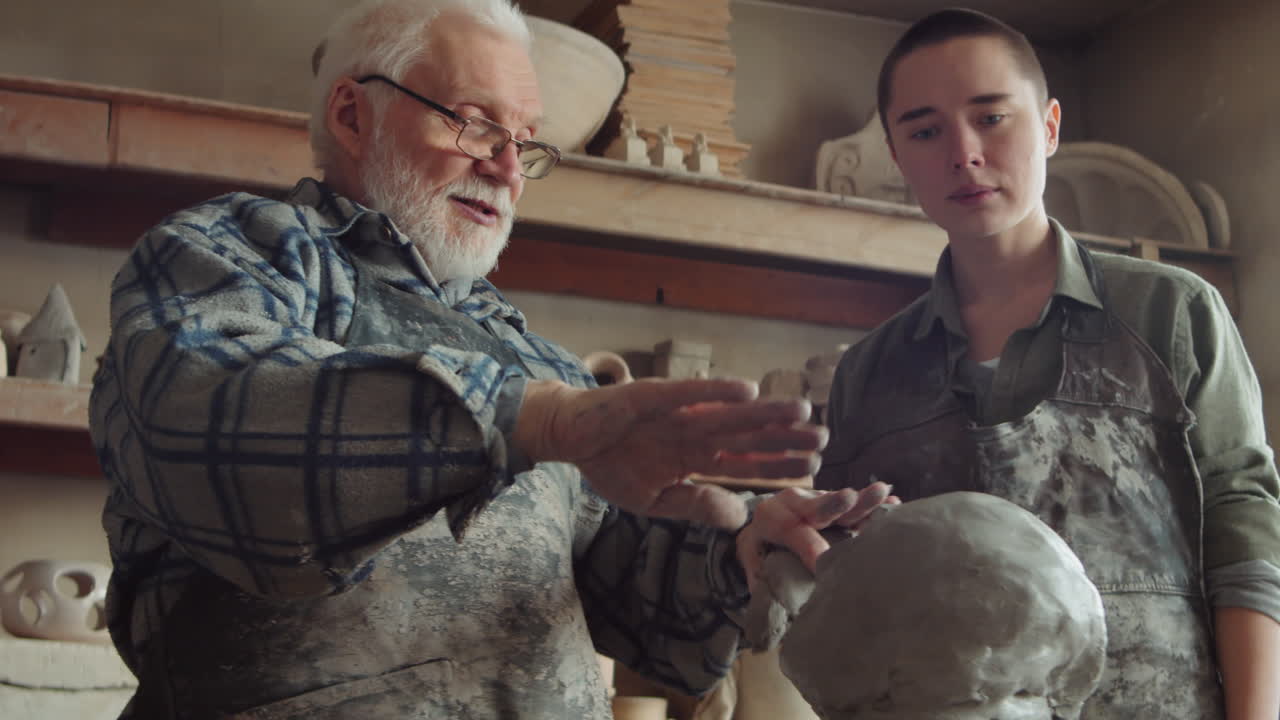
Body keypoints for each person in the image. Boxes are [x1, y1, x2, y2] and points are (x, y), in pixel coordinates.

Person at [87, 0, 890, 717]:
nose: (508, 168)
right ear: (351, 114)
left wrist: (738, 557)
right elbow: (211, 429)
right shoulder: (240, 256)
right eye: (475, 123)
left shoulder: (528, 352)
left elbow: (618, 594)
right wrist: (530, 419)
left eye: (526, 144)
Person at [815, 8, 1280, 719]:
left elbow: (1243, 530)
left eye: (992, 118)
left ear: (1051, 126)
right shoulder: (870, 375)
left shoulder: (1172, 315)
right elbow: (850, 591)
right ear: (897, 152)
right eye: (926, 130)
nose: (963, 153)